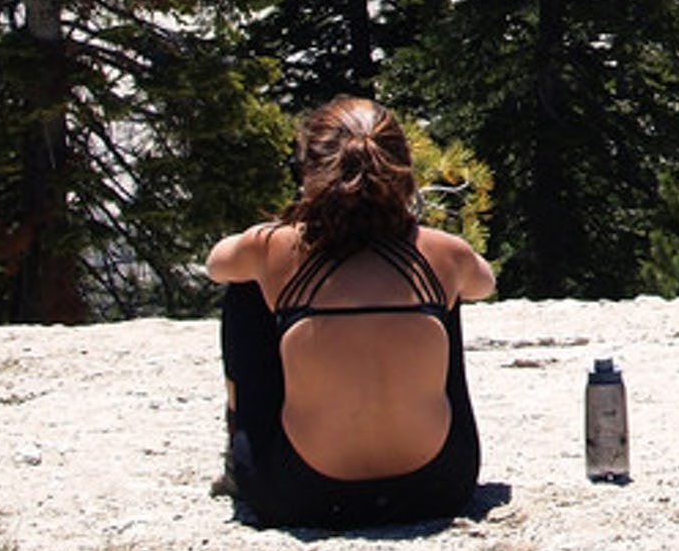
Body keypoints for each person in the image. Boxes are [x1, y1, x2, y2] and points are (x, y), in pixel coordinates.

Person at [207, 97, 497, 527]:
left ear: (309, 171)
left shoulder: (273, 245)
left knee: (246, 291)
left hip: (303, 496)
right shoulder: (443, 251)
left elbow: (217, 265)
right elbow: (484, 284)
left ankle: (240, 451)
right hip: (435, 488)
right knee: (439, 295)